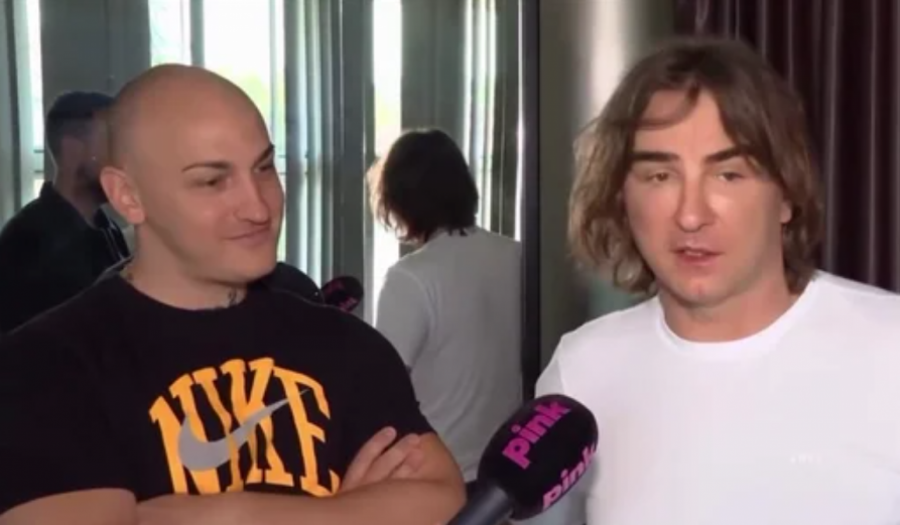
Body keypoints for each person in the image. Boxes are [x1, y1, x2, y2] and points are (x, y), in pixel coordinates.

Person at [0, 65, 464, 525]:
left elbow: (442, 498)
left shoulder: (347, 344)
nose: (258, 207)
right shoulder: (48, 363)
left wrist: (231, 513)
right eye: (212, 181)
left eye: (264, 168)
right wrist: (346, 512)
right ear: (128, 196)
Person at [530, 37, 900, 525]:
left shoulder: (889, 348)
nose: (690, 215)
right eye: (660, 176)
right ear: (621, 196)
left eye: (728, 175)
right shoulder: (581, 372)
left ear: (787, 194)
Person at [369, 129, 522, 492]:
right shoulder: (518, 256)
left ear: (401, 199)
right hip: (506, 473)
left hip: (439, 477)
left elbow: (379, 389)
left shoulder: (410, 278)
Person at [0, 91, 130, 335]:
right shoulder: (26, 241)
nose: (123, 161)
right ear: (73, 151)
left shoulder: (108, 229)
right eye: (111, 145)